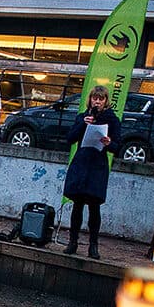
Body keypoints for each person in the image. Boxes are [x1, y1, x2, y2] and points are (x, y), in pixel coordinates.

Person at [62, 85, 121, 260]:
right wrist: (83, 124)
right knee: (77, 204)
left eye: (101, 99)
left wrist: (109, 142)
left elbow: (117, 146)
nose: (97, 101)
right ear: (90, 100)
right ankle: (73, 241)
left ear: (105, 101)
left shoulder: (112, 120)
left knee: (94, 206)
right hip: (82, 162)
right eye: (95, 98)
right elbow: (70, 138)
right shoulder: (82, 117)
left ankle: (93, 245)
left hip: (97, 165)